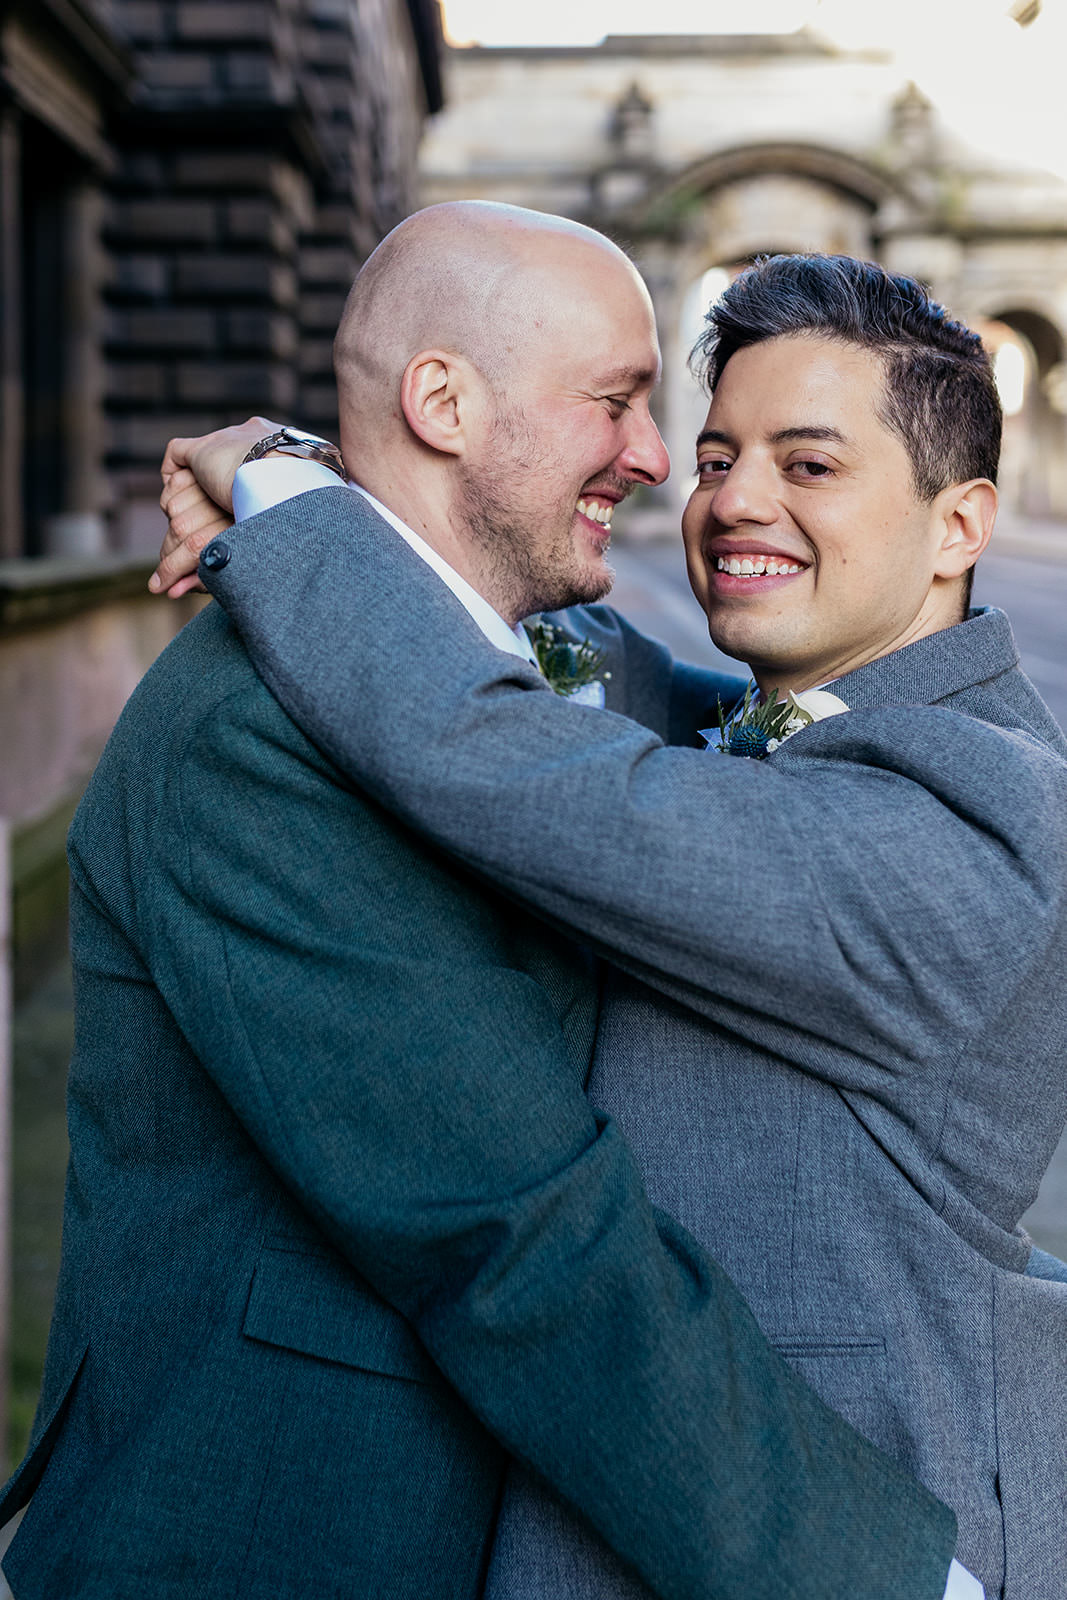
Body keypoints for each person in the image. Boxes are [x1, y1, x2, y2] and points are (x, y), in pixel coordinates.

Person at [0, 207, 960, 1600]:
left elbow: (723, 751)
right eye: (614, 402)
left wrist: (282, 473)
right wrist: (896, 1578)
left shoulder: (537, 654)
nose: (654, 459)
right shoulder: (252, 735)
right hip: (276, 1535)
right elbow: (518, 1237)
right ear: (443, 403)